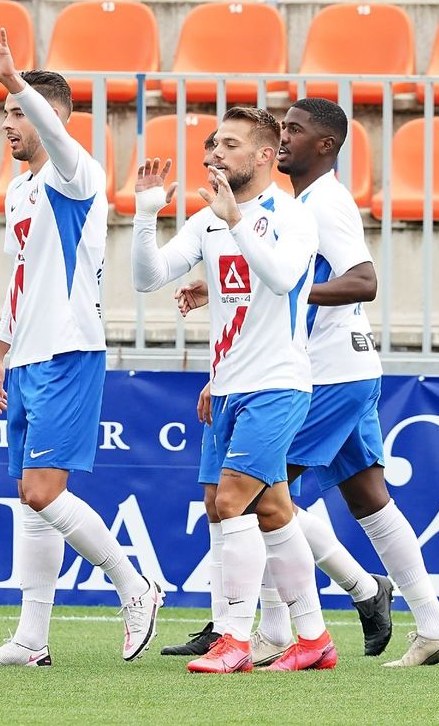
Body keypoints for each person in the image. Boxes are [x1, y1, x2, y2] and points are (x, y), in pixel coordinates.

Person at [172, 98, 439, 668]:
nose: (282, 138)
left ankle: (287, 624)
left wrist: (284, 288)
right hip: (345, 369)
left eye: (295, 131)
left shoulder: (322, 202)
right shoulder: (297, 202)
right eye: (280, 129)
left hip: (324, 373)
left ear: (325, 146)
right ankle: (432, 625)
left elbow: (363, 280)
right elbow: (283, 278)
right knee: (369, 501)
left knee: (254, 496)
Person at [0, 21, 164, 668]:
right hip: (25, 354)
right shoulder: (20, 190)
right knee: (28, 494)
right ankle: (30, 638)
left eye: (17, 113)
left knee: (44, 491)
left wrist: (13, 76)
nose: (7, 124)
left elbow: (57, 142)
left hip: (68, 350)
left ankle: (135, 585)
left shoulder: (76, 176)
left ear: (53, 115)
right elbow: (22, 274)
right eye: (2, 115)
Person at [132, 106, 333, 673]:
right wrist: (148, 215)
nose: (214, 154)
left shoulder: (291, 216)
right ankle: (314, 640)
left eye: (229, 145)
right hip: (226, 387)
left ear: (265, 156)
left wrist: (237, 221)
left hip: (277, 383)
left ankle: (235, 640)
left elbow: (283, 279)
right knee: (269, 508)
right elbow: (149, 278)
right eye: (212, 143)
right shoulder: (208, 220)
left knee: (230, 501)